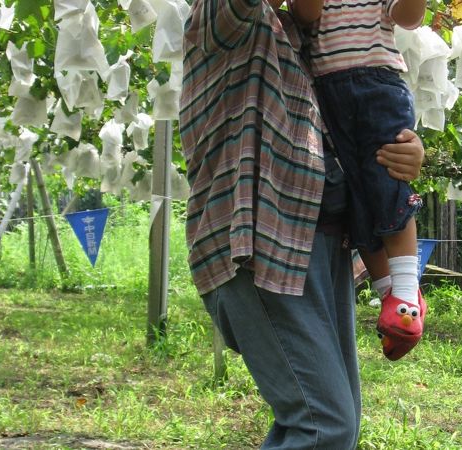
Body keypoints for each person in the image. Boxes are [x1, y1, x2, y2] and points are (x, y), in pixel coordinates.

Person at [180, 0, 424, 448]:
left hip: (324, 246)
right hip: (260, 244)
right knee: (322, 426)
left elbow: (355, 129)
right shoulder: (222, 15)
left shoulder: (305, 35)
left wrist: (404, 147)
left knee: (334, 424)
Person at [304, 0, 428, 360]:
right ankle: (392, 295)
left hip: (377, 85)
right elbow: (305, 14)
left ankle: (405, 294)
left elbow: (408, 17)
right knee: (356, 196)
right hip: (328, 92)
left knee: (386, 180)